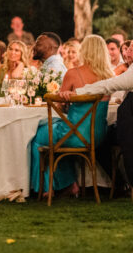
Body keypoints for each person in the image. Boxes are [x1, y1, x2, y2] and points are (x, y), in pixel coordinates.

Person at [30, 35, 113, 197]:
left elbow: (59, 106)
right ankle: (70, 185)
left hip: (72, 134)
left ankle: (45, 188)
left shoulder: (73, 74)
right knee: (60, 137)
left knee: (36, 137)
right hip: (97, 135)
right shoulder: (109, 76)